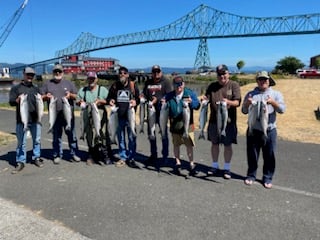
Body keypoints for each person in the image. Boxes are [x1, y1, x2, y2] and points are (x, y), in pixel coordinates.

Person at [241, 71, 286, 189]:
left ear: (269, 80)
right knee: (252, 155)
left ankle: (267, 177)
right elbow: (244, 111)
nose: (263, 82)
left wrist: (272, 102)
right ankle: (251, 175)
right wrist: (247, 103)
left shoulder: (276, 94)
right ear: (257, 81)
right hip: (253, 130)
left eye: (265, 79)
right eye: (260, 79)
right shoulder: (251, 94)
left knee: (270, 155)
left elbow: (282, 110)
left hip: (270, 130)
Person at [204, 64, 241, 179]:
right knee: (214, 144)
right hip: (214, 121)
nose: (222, 76)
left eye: (224, 73)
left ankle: (227, 168)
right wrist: (204, 100)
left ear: (228, 73)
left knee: (227, 145)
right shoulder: (212, 86)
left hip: (228, 122)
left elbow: (237, 103)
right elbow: (207, 98)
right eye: (219, 74)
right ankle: (214, 166)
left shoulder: (234, 85)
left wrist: (228, 102)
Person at [41, 64, 80, 164]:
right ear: (53, 73)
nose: (57, 73)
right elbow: (40, 97)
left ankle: (74, 153)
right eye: (55, 71)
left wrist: (70, 95)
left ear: (63, 72)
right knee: (56, 136)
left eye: (59, 71)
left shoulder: (69, 83)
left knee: (72, 135)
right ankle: (57, 154)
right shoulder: (47, 84)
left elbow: (77, 96)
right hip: (54, 115)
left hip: (68, 115)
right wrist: (46, 96)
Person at [9, 67, 44, 173]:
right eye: (28, 74)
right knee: (21, 142)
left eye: (32, 75)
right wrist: (17, 100)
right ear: (23, 74)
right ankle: (20, 161)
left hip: (35, 120)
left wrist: (45, 98)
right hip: (21, 120)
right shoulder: (16, 88)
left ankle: (36, 157)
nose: (30, 77)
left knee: (37, 140)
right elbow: (11, 102)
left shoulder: (36, 88)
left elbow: (41, 101)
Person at [163, 76, 200, 176]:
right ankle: (177, 162)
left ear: (183, 84)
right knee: (176, 145)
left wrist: (192, 102)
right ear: (173, 85)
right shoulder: (169, 95)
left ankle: (191, 163)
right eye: (176, 84)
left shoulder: (189, 93)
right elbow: (161, 104)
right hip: (174, 125)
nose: (178, 86)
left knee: (189, 145)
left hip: (188, 125)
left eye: (180, 84)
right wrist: (162, 103)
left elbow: (197, 105)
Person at [106, 66, 140, 168]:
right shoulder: (115, 86)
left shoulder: (133, 85)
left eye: (124, 73)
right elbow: (109, 97)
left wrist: (136, 102)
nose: (122, 75)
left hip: (130, 116)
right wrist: (110, 101)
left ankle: (131, 157)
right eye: (120, 73)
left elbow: (139, 98)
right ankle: (123, 157)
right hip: (118, 116)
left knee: (131, 137)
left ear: (128, 75)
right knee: (120, 138)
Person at [76, 71, 112, 165]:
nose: (91, 80)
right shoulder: (82, 90)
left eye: (93, 78)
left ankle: (105, 155)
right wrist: (80, 102)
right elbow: (77, 100)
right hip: (87, 114)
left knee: (102, 134)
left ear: (96, 79)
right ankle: (92, 154)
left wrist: (101, 101)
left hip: (100, 114)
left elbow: (109, 100)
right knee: (89, 134)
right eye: (89, 78)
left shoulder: (102, 89)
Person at [142, 65, 173, 167]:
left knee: (164, 134)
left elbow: (170, 95)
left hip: (162, 111)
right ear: (152, 73)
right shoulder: (148, 82)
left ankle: (165, 157)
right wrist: (142, 96)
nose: (156, 74)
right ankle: (153, 155)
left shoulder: (166, 81)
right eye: (154, 72)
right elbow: (145, 94)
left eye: (158, 72)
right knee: (151, 133)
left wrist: (159, 100)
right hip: (151, 111)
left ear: (161, 72)